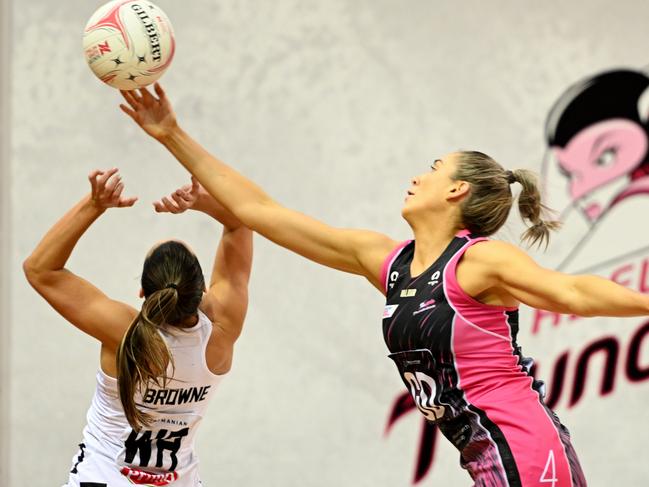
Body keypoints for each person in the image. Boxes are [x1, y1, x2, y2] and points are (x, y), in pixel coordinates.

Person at [122, 84, 648, 486]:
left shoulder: (480, 264)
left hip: (522, 447)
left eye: (434, 169)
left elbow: (575, 294)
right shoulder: (388, 262)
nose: (418, 176)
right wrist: (171, 133)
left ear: (457, 190)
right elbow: (261, 211)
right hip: (484, 451)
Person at [23, 168, 252, 486]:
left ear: (143, 292)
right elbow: (241, 222)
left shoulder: (123, 332)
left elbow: (40, 270)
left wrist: (94, 205)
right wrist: (204, 202)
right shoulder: (221, 331)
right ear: (202, 293)